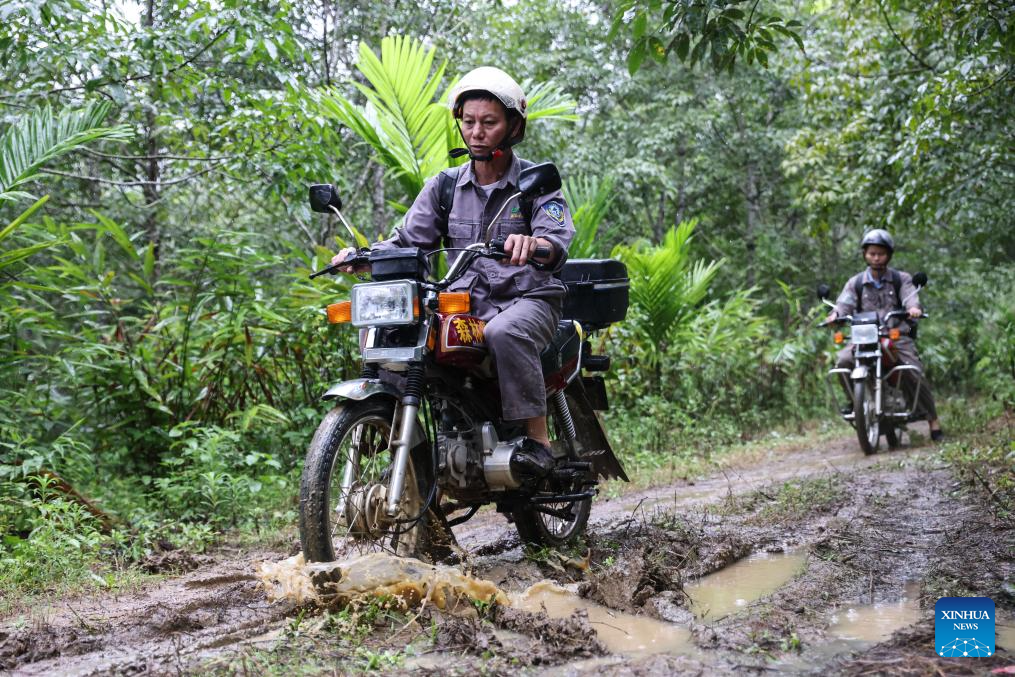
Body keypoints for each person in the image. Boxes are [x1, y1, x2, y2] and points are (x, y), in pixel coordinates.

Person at [331, 66, 575, 458]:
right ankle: (390, 426)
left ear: (513, 126)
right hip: (464, 303)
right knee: (392, 328)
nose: (476, 132)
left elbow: (556, 241)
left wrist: (534, 244)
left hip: (529, 300)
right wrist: (362, 257)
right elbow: (408, 240)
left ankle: (538, 442)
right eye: (469, 121)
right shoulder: (445, 186)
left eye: (489, 123)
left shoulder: (535, 182)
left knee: (504, 333)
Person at [824, 229, 943, 440]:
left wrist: (913, 308)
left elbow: (910, 297)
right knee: (843, 361)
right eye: (872, 253)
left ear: (888, 255)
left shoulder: (900, 279)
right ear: (865, 254)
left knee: (912, 370)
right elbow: (844, 304)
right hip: (864, 337)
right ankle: (855, 400)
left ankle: (933, 421)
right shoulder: (856, 283)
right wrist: (835, 315)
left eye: (881, 253)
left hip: (895, 336)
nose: (876, 257)